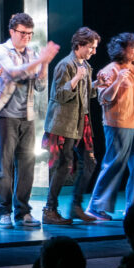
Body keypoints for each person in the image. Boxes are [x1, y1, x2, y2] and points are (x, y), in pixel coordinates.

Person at [0, 13, 60, 229]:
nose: (27, 38)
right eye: (23, 33)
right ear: (12, 32)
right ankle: (3, 211)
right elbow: (14, 73)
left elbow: (39, 86)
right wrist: (41, 59)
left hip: (26, 115)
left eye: (30, 34)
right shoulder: (1, 50)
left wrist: (44, 63)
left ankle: (23, 211)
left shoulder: (32, 53)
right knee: (4, 164)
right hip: (3, 114)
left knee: (27, 165)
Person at [85, 32, 134, 221]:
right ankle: (97, 206)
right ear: (122, 49)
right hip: (118, 122)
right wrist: (118, 81)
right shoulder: (111, 69)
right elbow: (103, 98)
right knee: (115, 163)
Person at [42, 27, 101, 224]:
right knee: (63, 164)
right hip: (64, 122)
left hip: (81, 120)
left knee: (90, 162)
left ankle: (76, 205)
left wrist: (98, 84)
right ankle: (49, 209)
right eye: (91, 47)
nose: (94, 51)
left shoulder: (85, 65)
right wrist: (76, 78)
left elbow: (86, 95)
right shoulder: (65, 65)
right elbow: (59, 95)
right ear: (80, 45)